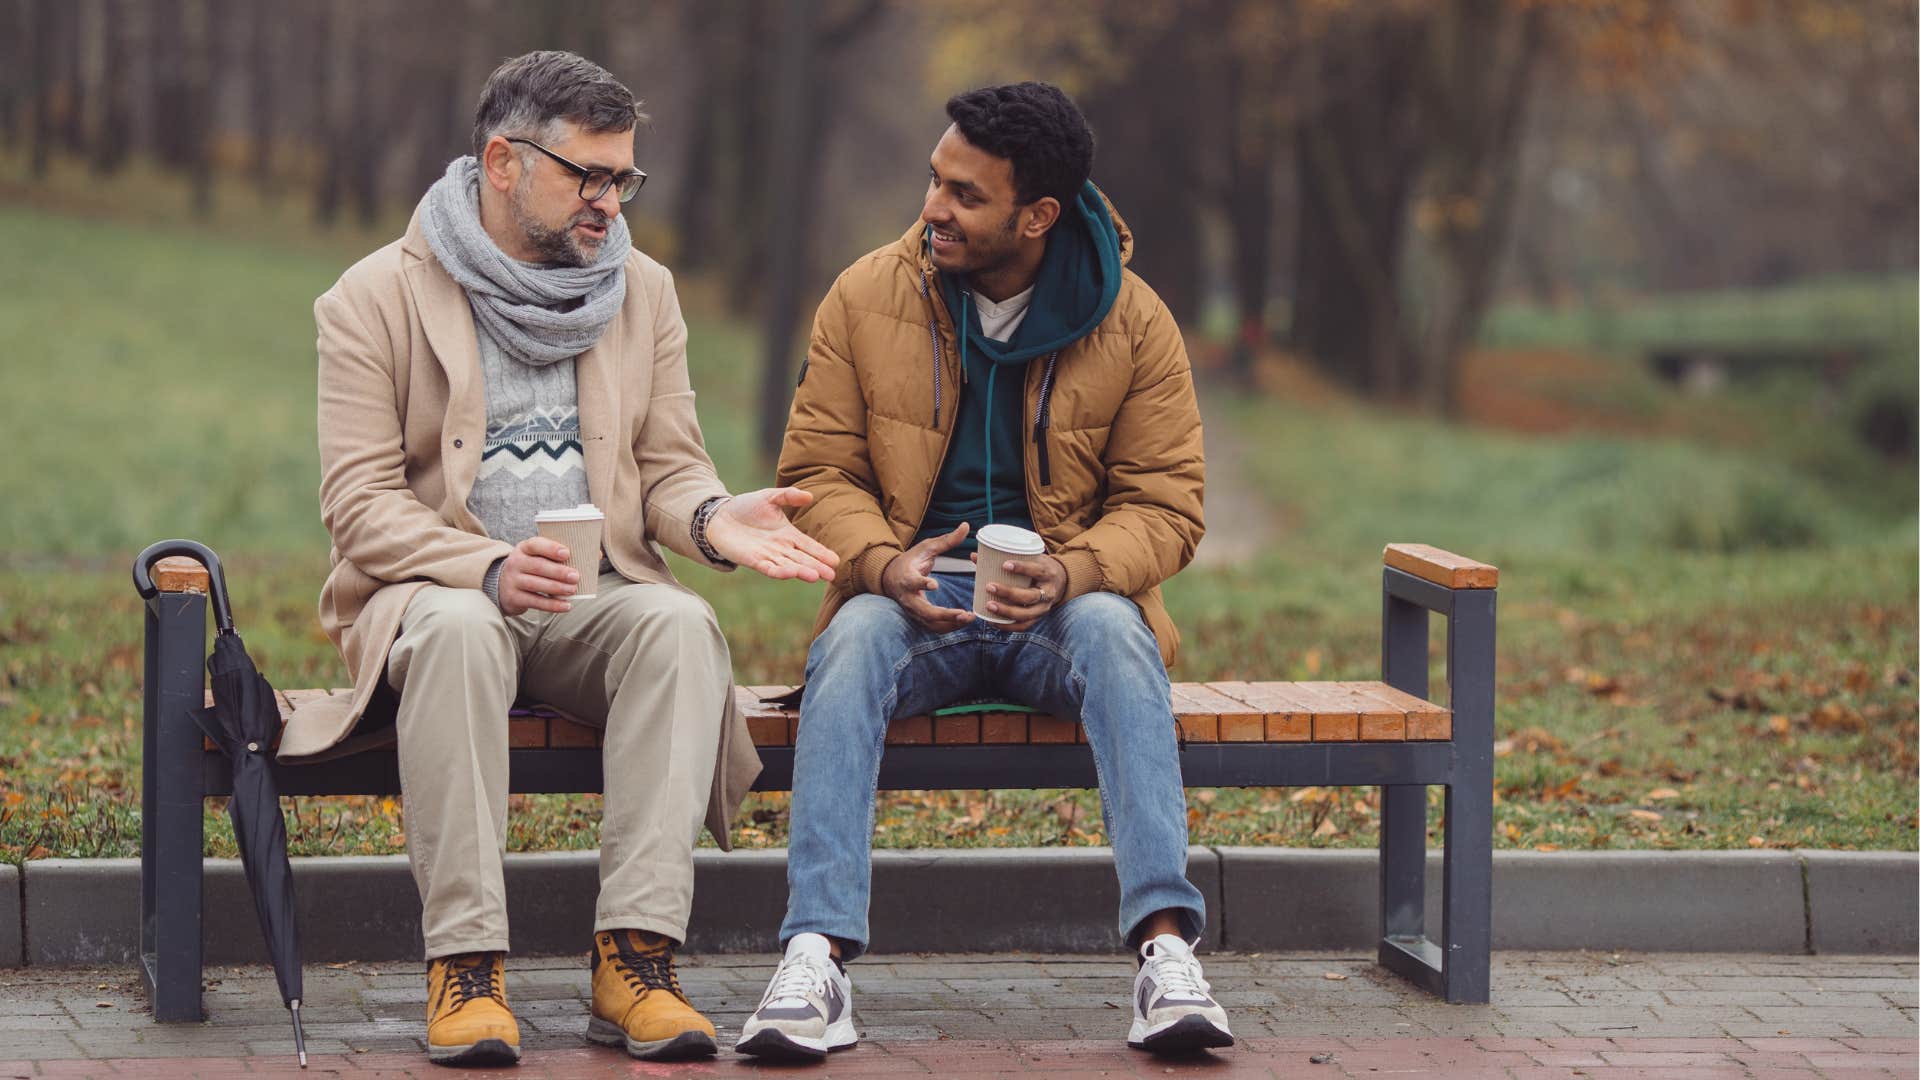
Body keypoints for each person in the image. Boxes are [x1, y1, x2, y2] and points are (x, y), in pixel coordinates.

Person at [293, 50, 837, 1067]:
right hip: (435, 602)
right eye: (587, 175)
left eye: (622, 177)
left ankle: (635, 959)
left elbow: (670, 470)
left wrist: (715, 520)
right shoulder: (372, 299)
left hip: (594, 602)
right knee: (459, 631)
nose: (609, 200)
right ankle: (466, 968)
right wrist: (488, 569)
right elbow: (358, 507)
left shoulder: (642, 290)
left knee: (678, 624)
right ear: (502, 161)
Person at [737, 82, 1228, 1061]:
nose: (933, 209)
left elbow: (1168, 503)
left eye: (965, 195)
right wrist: (882, 561)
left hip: (1060, 608)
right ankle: (813, 959)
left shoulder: (1132, 320)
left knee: (1118, 633)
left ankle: (1167, 958)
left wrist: (1078, 569)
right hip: (915, 602)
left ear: (1037, 216)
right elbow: (817, 471)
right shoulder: (867, 294)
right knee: (855, 635)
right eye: (933, 181)